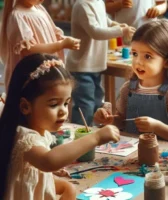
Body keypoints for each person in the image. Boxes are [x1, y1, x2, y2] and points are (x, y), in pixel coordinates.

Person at [0, 54, 120, 199]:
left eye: (66, 102)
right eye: (53, 104)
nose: (63, 110)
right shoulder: (24, 137)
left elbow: (28, 181)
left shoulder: (40, 133)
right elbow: (48, 161)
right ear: (25, 106)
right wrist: (96, 137)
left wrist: (61, 185)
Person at [94, 19, 168, 143]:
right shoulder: (128, 88)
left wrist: (156, 127)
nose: (138, 62)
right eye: (134, 54)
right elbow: (122, 122)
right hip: (131, 154)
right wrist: (110, 120)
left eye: (147, 56)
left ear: (167, 62)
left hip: (164, 157)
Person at [65, 0, 136, 126]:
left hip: (94, 66)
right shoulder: (82, 5)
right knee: (85, 104)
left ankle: (94, 132)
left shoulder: (98, 2)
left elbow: (105, 21)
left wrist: (117, 25)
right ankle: (80, 133)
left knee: (98, 102)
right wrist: (121, 31)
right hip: (82, 67)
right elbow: (95, 31)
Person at [0, 0, 80, 90]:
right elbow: (30, 49)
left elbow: (52, 32)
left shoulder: (40, 9)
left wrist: (64, 39)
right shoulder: (17, 16)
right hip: (33, 71)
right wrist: (60, 45)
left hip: (49, 66)